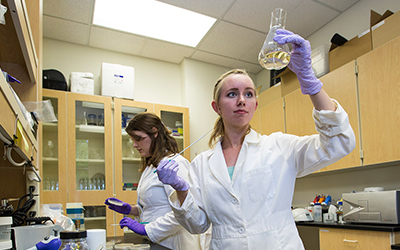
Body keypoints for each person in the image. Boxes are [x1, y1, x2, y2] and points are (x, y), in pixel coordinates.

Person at [155, 29, 356, 249]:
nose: (242, 100)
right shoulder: (202, 164)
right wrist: (181, 189)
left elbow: (339, 142)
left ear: (255, 105)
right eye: (232, 94)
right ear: (217, 107)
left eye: (248, 94)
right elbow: (198, 225)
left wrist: (310, 83)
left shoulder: (279, 146)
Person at [104, 113, 209, 250]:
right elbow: (155, 208)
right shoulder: (151, 165)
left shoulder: (175, 163)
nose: (135, 145)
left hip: (174, 244)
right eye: (133, 140)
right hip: (156, 243)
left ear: (155, 133)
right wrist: (134, 210)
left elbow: (184, 212)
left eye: (139, 139)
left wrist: (148, 230)